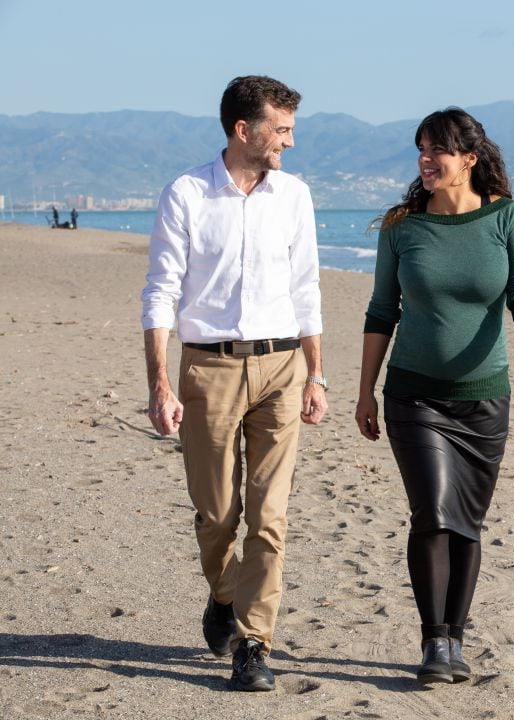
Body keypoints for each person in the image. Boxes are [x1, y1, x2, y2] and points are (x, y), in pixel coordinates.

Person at [140, 75, 327, 692]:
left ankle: (253, 641)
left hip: (280, 367)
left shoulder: (295, 195)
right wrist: (160, 385)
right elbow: (160, 294)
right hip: (208, 368)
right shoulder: (187, 193)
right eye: (282, 130)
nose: (289, 143)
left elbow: (307, 291)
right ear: (243, 130)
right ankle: (224, 593)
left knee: (269, 518)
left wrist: (316, 374)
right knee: (217, 513)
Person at [355, 107, 514, 685]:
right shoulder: (402, 227)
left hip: (484, 397)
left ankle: (454, 639)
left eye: (437, 149)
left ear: (469, 158)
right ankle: (434, 643)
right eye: (420, 149)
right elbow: (382, 310)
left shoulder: (505, 217)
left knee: (467, 521)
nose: (426, 160)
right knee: (433, 512)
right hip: (414, 396)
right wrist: (365, 390)